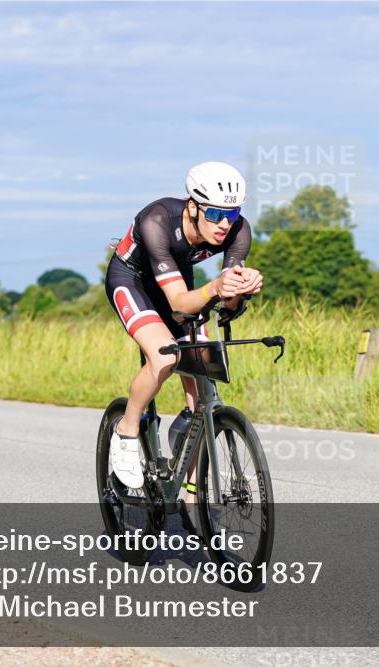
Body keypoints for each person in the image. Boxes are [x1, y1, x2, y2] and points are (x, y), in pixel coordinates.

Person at [105, 161, 263, 493]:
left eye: (232, 214)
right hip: (133, 281)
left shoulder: (239, 231)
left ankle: (193, 494)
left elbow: (227, 305)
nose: (225, 224)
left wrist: (240, 289)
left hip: (177, 280)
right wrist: (216, 287)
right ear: (193, 207)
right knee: (165, 357)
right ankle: (126, 430)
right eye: (215, 214)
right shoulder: (157, 220)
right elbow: (178, 302)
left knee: (202, 377)